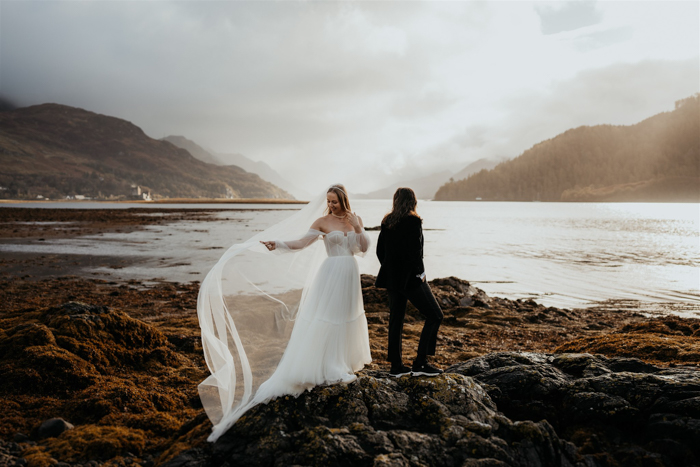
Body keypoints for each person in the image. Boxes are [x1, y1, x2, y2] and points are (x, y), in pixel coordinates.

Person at [197, 184, 371, 442]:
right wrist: (277, 244)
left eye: (334, 201)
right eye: (329, 201)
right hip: (331, 273)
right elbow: (302, 243)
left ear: (343, 199)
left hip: (349, 274)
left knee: (346, 319)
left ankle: (342, 361)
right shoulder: (322, 221)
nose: (331, 205)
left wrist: (358, 226)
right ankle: (328, 366)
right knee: (327, 319)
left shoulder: (354, 219)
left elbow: (364, 248)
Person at [375, 187, 443, 378]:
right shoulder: (413, 220)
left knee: (396, 320)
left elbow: (381, 251)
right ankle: (420, 363)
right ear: (413, 201)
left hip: (392, 279)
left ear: (395, 201)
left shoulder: (388, 221)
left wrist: (390, 270)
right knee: (435, 315)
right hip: (411, 279)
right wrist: (421, 273)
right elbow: (415, 252)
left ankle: (396, 366)